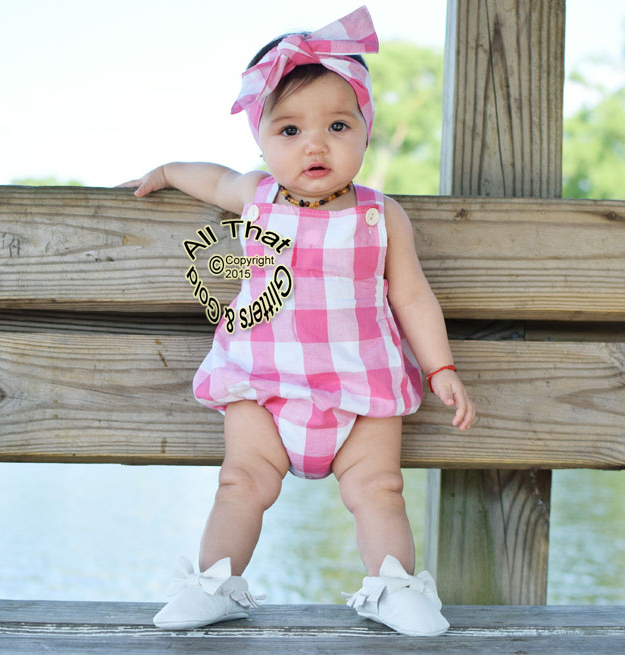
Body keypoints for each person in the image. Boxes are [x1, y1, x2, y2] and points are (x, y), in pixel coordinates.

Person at [119, 5, 474, 638]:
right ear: (261, 140)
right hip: (264, 381)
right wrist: (170, 171)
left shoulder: (380, 215)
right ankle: (214, 583)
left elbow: (412, 296)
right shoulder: (256, 196)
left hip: (360, 389)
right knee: (241, 481)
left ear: (365, 131)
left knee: (379, 490)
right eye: (289, 130)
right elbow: (215, 177)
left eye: (338, 124)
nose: (315, 143)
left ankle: (394, 586)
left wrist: (440, 367)